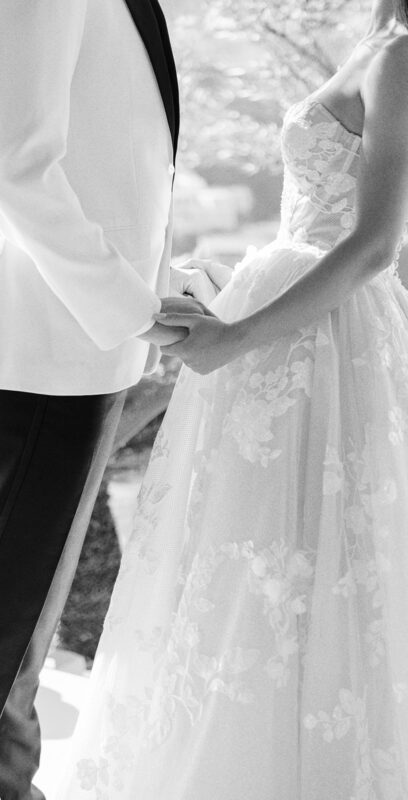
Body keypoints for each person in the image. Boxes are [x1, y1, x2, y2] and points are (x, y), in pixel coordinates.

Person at [60, 0, 408, 798]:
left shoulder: (402, 59)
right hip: (290, 315)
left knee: (317, 567)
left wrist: (236, 339)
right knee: (263, 567)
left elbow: (374, 245)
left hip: (325, 338)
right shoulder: (381, 47)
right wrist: (223, 297)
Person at [0, 3, 226, 798]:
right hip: (43, 357)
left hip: (76, 351)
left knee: (24, 636)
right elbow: (16, 161)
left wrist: (156, 290)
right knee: (13, 634)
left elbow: (113, 160)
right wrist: (132, 310)